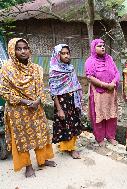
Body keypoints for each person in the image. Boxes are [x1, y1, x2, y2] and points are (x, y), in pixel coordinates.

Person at [0, 38, 56, 177]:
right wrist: (25, 101)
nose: (23, 51)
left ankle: (42, 160)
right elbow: (4, 92)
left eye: (25, 48)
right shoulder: (7, 69)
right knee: (21, 139)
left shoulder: (36, 68)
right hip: (17, 110)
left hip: (36, 108)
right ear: (12, 51)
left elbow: (41, 88)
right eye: (19, 49)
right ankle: (27, 166)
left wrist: (38, 100)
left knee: (41, 133)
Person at [49, 44, 83, 159]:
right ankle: (70, 149)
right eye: (63, 53)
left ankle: (68, 145)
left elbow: (75, 85)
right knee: (65, 124)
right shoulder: (54, 71)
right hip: (62, 102)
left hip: (72, 100)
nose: (66, 56)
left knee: (73, 123)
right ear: (57, 55)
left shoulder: (70, 68)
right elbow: (54, 92)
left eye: (67, 53)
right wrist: (59, 109)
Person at [85, 39, 120, 147]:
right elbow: (90, 77)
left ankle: (110, 136)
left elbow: (117, 72)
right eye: (99, 46)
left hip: (110, 92)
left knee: (111, 114)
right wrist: (105, 85)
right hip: (98, 93)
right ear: (93, 48)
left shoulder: (109, 59)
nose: (103, 47)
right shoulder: (90, 61)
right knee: (98, 115)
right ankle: (100, 138)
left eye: (103, 45)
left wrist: (113, 82)